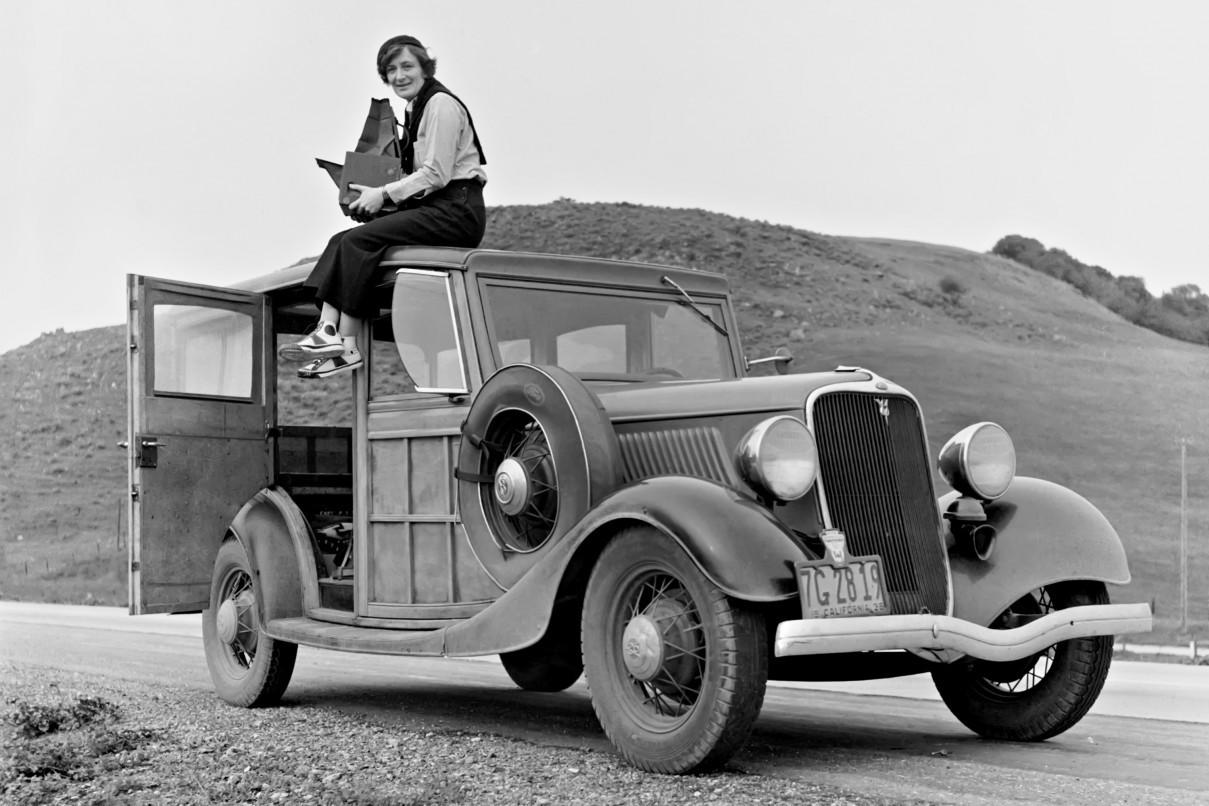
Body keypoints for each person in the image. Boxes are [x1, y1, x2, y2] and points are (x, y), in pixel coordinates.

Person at [280, 34, 487, 378]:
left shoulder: (440, 105)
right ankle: (331, 334)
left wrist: (384, 194)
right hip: (433, 205)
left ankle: (344, 344)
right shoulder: (413, 108)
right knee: (342, 240)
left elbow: (435, 173)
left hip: (456, 209)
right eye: (391, 70)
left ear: (425, 67)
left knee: (359, 242)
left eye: (407, 66)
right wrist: (370, 195)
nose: (399, 76)